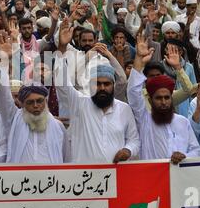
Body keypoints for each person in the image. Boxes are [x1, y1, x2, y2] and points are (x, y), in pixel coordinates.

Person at [54, 24, 140, 163]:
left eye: (106, 84)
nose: (102, 88)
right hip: (84, 178)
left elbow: (134, 140)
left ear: (113, 86)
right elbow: (62, 82)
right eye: (97, 84)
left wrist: (128, 150)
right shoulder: (81, 103)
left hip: (115, 176)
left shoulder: (124, 109)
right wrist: (62, 48)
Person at [127, 34, 200, 163]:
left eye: (167, 98)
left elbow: (196, 151)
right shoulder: (144, 120)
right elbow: (133, 91)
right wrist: (139, 59)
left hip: (179, 178)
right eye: (158, 98)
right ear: (150, 100)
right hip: (152, 177)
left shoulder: (183, 122)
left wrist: (184, 156)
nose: (163, 102)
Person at [0, 62, 67, 163]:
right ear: (22, 104)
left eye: (39, 101)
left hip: (51, 178)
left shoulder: (58, 126)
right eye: (30, 102)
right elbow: (2, 94)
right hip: (20, 178)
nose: (36, 105)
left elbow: (66, 157)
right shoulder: (14, 119)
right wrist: (3, 64)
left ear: (46, 101)